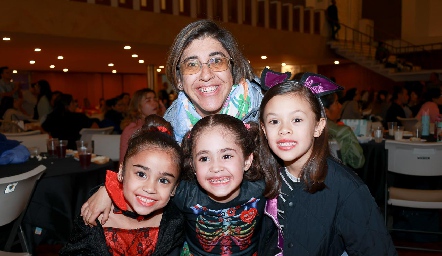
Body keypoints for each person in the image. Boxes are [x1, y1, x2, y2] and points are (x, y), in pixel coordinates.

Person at [81, 114, 273, 255]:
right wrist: (108, 189)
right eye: (204, 158)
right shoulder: (184, 193)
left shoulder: (264, 188)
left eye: (227, 156)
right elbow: (152, 185)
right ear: (193, 166)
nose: (216, 167)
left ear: (247, 161)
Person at [257, 75, 397, 255]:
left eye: (297, 120)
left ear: (318, 126)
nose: (284, 129)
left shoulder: (346, 188)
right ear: (263, 129)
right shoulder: (262, 176)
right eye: (274, 121)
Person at [60, 115, 185, 255]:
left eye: (163, 180)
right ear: (121, 172)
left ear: (174, 188)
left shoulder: (174, 222)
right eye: (141, 174)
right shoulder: (95, 213)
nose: (150, 188)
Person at [164, 19, 263, 142]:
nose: (206, 75)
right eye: (192, 64)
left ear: (232, 69)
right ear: (179, 79)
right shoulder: (165, 135)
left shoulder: (272, 117)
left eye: (217, 61)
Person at [320, 92, 365, 169]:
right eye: (336, 102)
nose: (340, 106)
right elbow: (358, 162)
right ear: (326, 111)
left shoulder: (308, 130)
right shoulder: (344, 132)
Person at [119, 88, 164, 162]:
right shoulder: (131, 129)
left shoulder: (159, 124)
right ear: (138, 106)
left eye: (155, 99)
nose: (154, 103)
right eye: (148, 100)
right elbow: (123, 161)